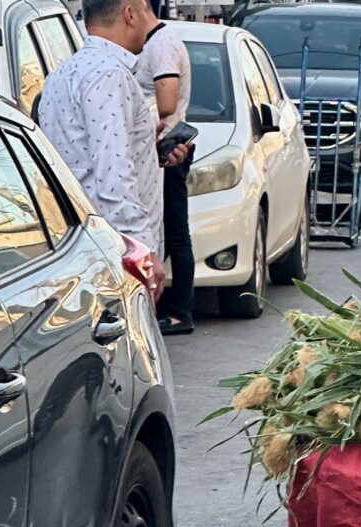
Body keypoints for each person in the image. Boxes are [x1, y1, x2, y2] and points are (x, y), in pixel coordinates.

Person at [38, 0, 191, 301]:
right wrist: (143, 255)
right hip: (113, 258)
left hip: (79, 246)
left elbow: (87, 155)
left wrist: (148, 145)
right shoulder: (109, 75)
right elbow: (113, 179)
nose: (150, 25)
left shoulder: (62, 74)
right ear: (130, 14)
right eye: (145, 12)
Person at [136, 17, 195, 335]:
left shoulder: (161, 44)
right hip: (158, 148)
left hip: (168, 149)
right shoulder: (156, 43)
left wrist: (132, 114)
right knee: (167, 229)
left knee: (174, 230)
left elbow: (168, 101)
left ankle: (179, 311)